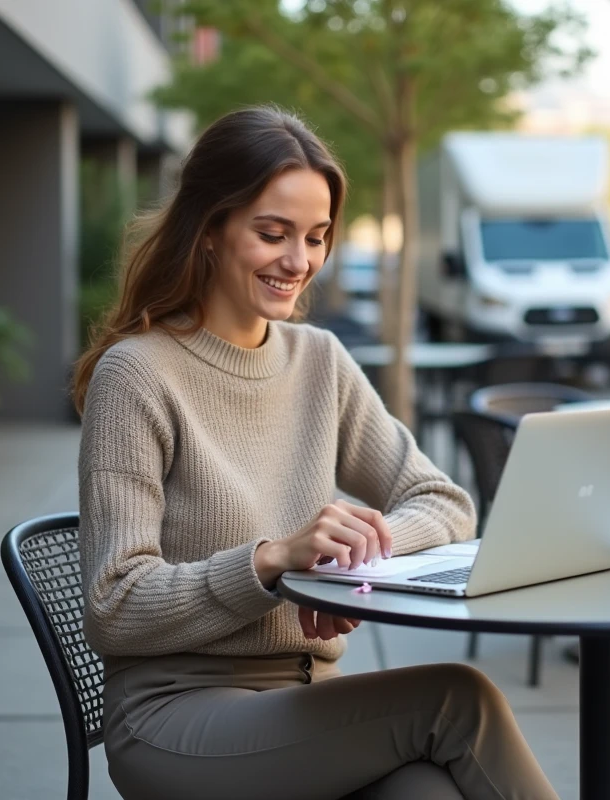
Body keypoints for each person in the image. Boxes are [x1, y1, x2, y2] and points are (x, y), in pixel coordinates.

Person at [72, 106, 559, 800]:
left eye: (316, 237)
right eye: (272, 233)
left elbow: (446, 503)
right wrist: (272, 561)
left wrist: (348, 557)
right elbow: (114, 603)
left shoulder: (319, 361)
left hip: (307, 704)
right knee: (457, 700)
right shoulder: (139, 373)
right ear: (209, 230)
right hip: (176, 715)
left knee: (429, 793)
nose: (298, 261)